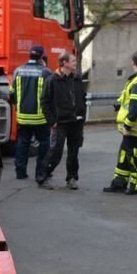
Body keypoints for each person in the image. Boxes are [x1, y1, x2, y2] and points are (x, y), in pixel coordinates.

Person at [104, 51, 137, 195]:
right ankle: (119, 183)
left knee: (134, 156)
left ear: (133, 62)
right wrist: (120, 106)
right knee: (124, 154)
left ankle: (136, 186)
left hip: (134, 127)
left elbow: (136, 107)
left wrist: (127, 125)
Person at [39, 52, 86, 190]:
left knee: (74, 152)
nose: (75, 63)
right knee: (56, 151)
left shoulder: (77, 78)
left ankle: (71, 178)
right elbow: (44, 102)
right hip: (60, 123)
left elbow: (81, 97)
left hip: (76, 122)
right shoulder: (52, 80)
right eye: (73, 61)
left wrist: (81, 114)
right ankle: (43, 177)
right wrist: (52, 121)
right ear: (64, 63)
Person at [10, 45, 53, 181]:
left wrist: (19, 107)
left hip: (23, 117)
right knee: (44, 144)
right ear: (41, 57)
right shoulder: (46, 72)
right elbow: (51, 95)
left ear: (29, 55)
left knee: (23, 144)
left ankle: (20, 172)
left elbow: (11, 95)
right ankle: (41, 173)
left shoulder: (18, 70)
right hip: (41, 118)